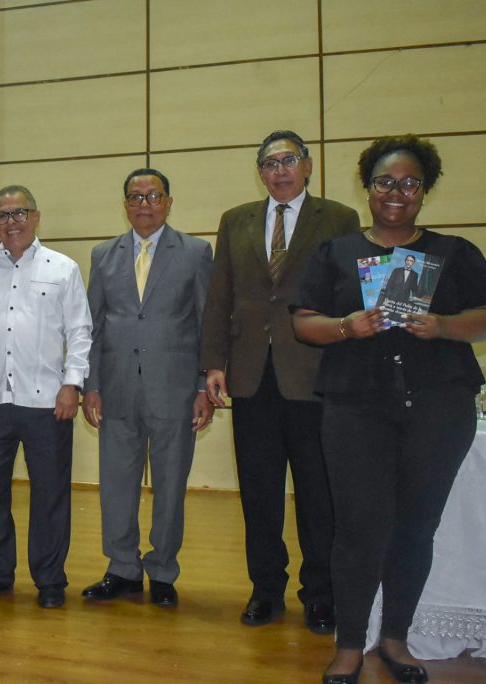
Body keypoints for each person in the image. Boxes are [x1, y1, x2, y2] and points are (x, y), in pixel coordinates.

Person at [291, 135, 486, 684]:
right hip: (356, 409)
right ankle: (348, 644)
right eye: (386, 181)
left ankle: (396, 639)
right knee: (358, 529)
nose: (396, 192)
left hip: (439, 409)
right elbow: (303, 321)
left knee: (415, 528)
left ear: (424, 191)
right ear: (368, 187)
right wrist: (347, 326)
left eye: (410, 183)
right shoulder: (335, 253)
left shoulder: (454, 251)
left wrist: (444, 327)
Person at [200, 131, 360, 633]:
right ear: (260, 171)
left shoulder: (338, 218)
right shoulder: (236, 220)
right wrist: (213, 363)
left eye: (290, 160)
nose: (280, 170)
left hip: (313, 375)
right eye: (270, 163)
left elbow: (348, 293)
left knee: (318, 493)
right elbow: (220, 294)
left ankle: (320, 594)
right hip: (250, 377)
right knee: (259, 492)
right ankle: (265, 590)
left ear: (308, 167)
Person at [0, 185, 91, 609]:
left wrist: (73, 383)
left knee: (50, 493)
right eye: (3, 215)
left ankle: (49, 579)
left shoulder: (62, 269)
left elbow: (80, 332)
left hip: (48, 401)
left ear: (36, 216)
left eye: (19, 213)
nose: (11, 222)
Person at [81, 168, 214, 607]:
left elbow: (205, 325)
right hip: (116, 390)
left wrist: (202, 388)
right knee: (116, 485)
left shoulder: (195, 252)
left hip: (174, 391)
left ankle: (162, 571)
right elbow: (94, 326)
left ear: (168, 202)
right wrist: (91, 384)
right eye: (135, 197)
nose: (144, 204)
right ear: (125, 204)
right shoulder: (104, 255)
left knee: (171, 486)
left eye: (153, 196)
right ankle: (121, 567)